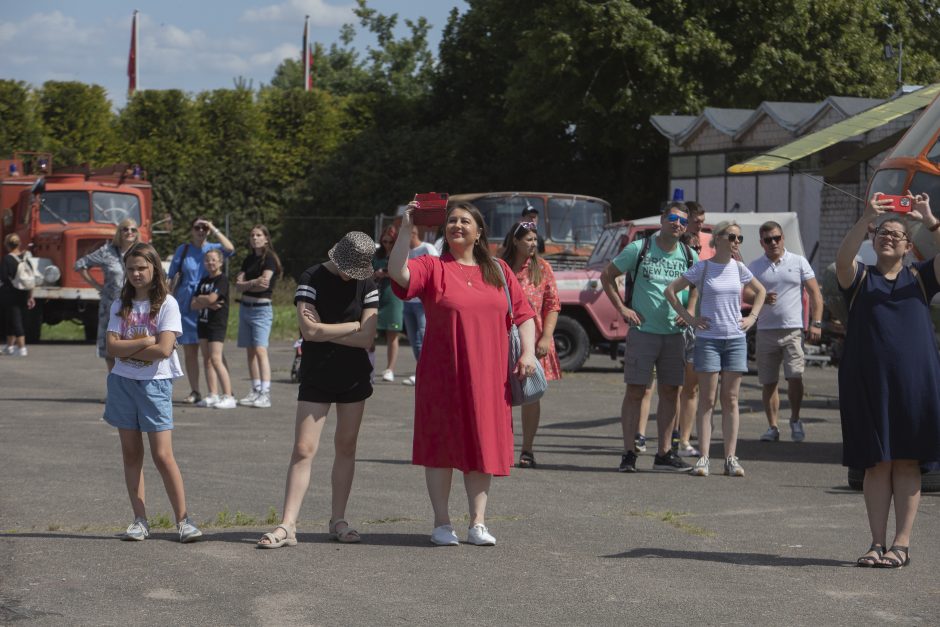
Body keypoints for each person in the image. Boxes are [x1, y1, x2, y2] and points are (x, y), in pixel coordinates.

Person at [389, 202, 538, 546]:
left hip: (489, 376)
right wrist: (406, 226)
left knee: (482, 446)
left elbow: (524, 314)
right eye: (452, 220)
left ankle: (478, 524)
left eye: (465, 221)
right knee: (441, 447)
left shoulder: (498, 270)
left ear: (479, 231)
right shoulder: (432, 266)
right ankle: (442, 524)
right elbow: (399, 273)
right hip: (442, 376)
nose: (457, 225)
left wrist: (528, 352)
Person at [835, 193, 940, 568]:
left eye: (897, 234)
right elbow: (841, 260)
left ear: (910, 247)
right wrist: (866, 219)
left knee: (908, 461)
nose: (889, 237)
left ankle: (902, 544)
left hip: (915, 381)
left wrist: (929, 219)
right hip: (868, 380)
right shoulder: (861, 276)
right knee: (876, 462)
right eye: (882, 232)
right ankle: (876, 544)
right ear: (873, 239)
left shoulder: (922, 276)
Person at [258, 232, 379, 548]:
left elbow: (368, 338)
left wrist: (328, 332)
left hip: (354, 375)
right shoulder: (311, 276)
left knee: (347, 446)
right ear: (338, 258)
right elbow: (308, 331)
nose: (352, 277)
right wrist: (352, 327)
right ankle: (288, 525)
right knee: (303, 449)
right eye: (348, 269)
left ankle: (338, 519)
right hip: (317, 373)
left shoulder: (367, 283)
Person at [104, 242, 202, 543]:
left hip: (154, 385)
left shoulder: (168, 304)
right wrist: (144, 340)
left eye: (141, 268)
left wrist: (132, 346)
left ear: (154, 269)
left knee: (162, 455)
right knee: (131, 454)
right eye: (131, 268)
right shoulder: (119, 306)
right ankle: (140, 520)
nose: (136, 273)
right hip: (122, 382)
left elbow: (163, 350)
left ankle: (183, 521)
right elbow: (111, 348)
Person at [600, 202, 697, 474]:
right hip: (643, 332)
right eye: (673, 218)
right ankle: (629, 453)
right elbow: (608, 276)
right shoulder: (639, 248)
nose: (678, 224)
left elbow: (698, 284)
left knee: (671, 392)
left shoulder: (689, 255)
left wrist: (689, 310)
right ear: (662, 219)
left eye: (683, 221)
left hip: (675, 335)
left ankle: (665, 454)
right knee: (636, 391)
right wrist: (622, 309)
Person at [665, 221, 766, 478]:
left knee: (730, 400)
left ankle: (731, 458)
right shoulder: (704, 267)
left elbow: (761, 291)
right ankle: (704, 458)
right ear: (717, 239)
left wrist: (752, 317)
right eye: (732, 237)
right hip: (708, 339)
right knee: (707, 400)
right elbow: (670, 291)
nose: (736, 242)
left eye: (739, 238)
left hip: (735, 339)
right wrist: (690, 319)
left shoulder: (739, 268)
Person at [748, 221, 823, 443]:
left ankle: (795, 419)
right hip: (765, 330)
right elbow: (745, 295)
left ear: (783, 238)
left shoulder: (798, 262)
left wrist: (816, 323)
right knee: (769, 382)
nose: (773, 243)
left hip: (793, 330)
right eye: (768, 240)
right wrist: (761, 298)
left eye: (777, 238)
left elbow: (815, 293)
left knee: (795, 377)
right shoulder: (755, 266)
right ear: (761, 243)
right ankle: (772, 427)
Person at [501, 221, 561, 468]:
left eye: (535, 239)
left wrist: (546, 337)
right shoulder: (500, 266)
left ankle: (527, 449)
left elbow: (553, 304)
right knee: (500, 395)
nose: (533, 244)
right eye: (528, 239)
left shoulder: (542, 268)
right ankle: (501, 446)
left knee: (530, 394)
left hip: (532, 339)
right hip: (502, 338)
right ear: (515, 241)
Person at [167, 217, 235, 404]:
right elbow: (171, 276)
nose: (201, 231)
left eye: (204, 228)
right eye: (197, 227)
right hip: (187, 304)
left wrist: (213, 227)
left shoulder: (213, 248)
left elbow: (230, 249)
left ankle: (223, 391)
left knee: (213, 352)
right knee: (190, 351)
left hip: (208, 302)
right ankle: (196, 390)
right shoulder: (184, 249)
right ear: (191, 230)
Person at [75, 219, 140, 371]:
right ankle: (114, 390)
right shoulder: (107, 251)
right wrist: (98, 286)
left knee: (134, 349)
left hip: (136, 308)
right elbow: (80, 264)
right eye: (125, 229)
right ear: (119, 232)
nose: (129, 232)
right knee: (111, 350)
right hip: (111, 307)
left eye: (133, 229)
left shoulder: (142, 251)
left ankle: (132, 390)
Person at [675, 200, 710, 457]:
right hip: (673, 321)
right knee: (672, 385)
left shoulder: (709, 243)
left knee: (691, 385)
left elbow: (697, 286)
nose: (701, 226)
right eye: (697, 221)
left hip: (696, 323)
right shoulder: (673, 247)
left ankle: (683, 437)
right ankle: (673, 433)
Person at [234, 224, 281, 408]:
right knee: (250, 351)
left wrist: (247, 284)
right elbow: (238, 285)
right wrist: (252, 282)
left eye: (258, 235)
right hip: (245, 308)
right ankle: (255, 389)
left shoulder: (269, 259)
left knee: (261, 350)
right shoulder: (248, 259)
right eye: (252, 235)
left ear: (266, 238)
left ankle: (265, 393)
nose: (255, 238)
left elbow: (265, 284)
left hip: (261, 309)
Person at [190, 249, 235, 409]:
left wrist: (204, 299)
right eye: (207, 260)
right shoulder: (203, 281)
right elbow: (193, 304)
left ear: (221, 262)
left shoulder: (221, 280)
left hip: (217, 324)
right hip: (203, 322)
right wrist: (206, 301)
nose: (210, 263)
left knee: (216, 359)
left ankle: (229, 396)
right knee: (207, 360)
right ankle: (213, 394)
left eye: (214, 260)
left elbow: (212, 298)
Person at [400, 224, 439, 386]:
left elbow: (438, 269)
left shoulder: (428, 248)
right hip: (408, 301)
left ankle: (429, 372)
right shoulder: (405, 251)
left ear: (413, 234)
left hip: (422, 302)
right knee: (413, 339)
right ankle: (422, 370)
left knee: (424, 337)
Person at [371, 224, 404, 382]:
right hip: (376, 294)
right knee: (370, 332)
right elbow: (367, 271)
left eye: (390, 242)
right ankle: (368, 366)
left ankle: (390, 369)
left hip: (394, 296)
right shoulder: (376, 255)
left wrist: (387, 273)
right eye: (385, 241)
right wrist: (376, 273)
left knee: (392, 334)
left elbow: (404, 272)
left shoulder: (401, 253)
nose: (387, 244)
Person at [0, 234, 36, 356]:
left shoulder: (7, 259)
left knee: (15, 320)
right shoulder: (25, 258)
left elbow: (3, 277)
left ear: (6, 245)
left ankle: (22, 348)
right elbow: (31, 278)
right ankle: (9, 347)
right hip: (24, 293)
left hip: (10, 294)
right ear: (19, 244)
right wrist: (31, 296)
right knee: (12, 319)